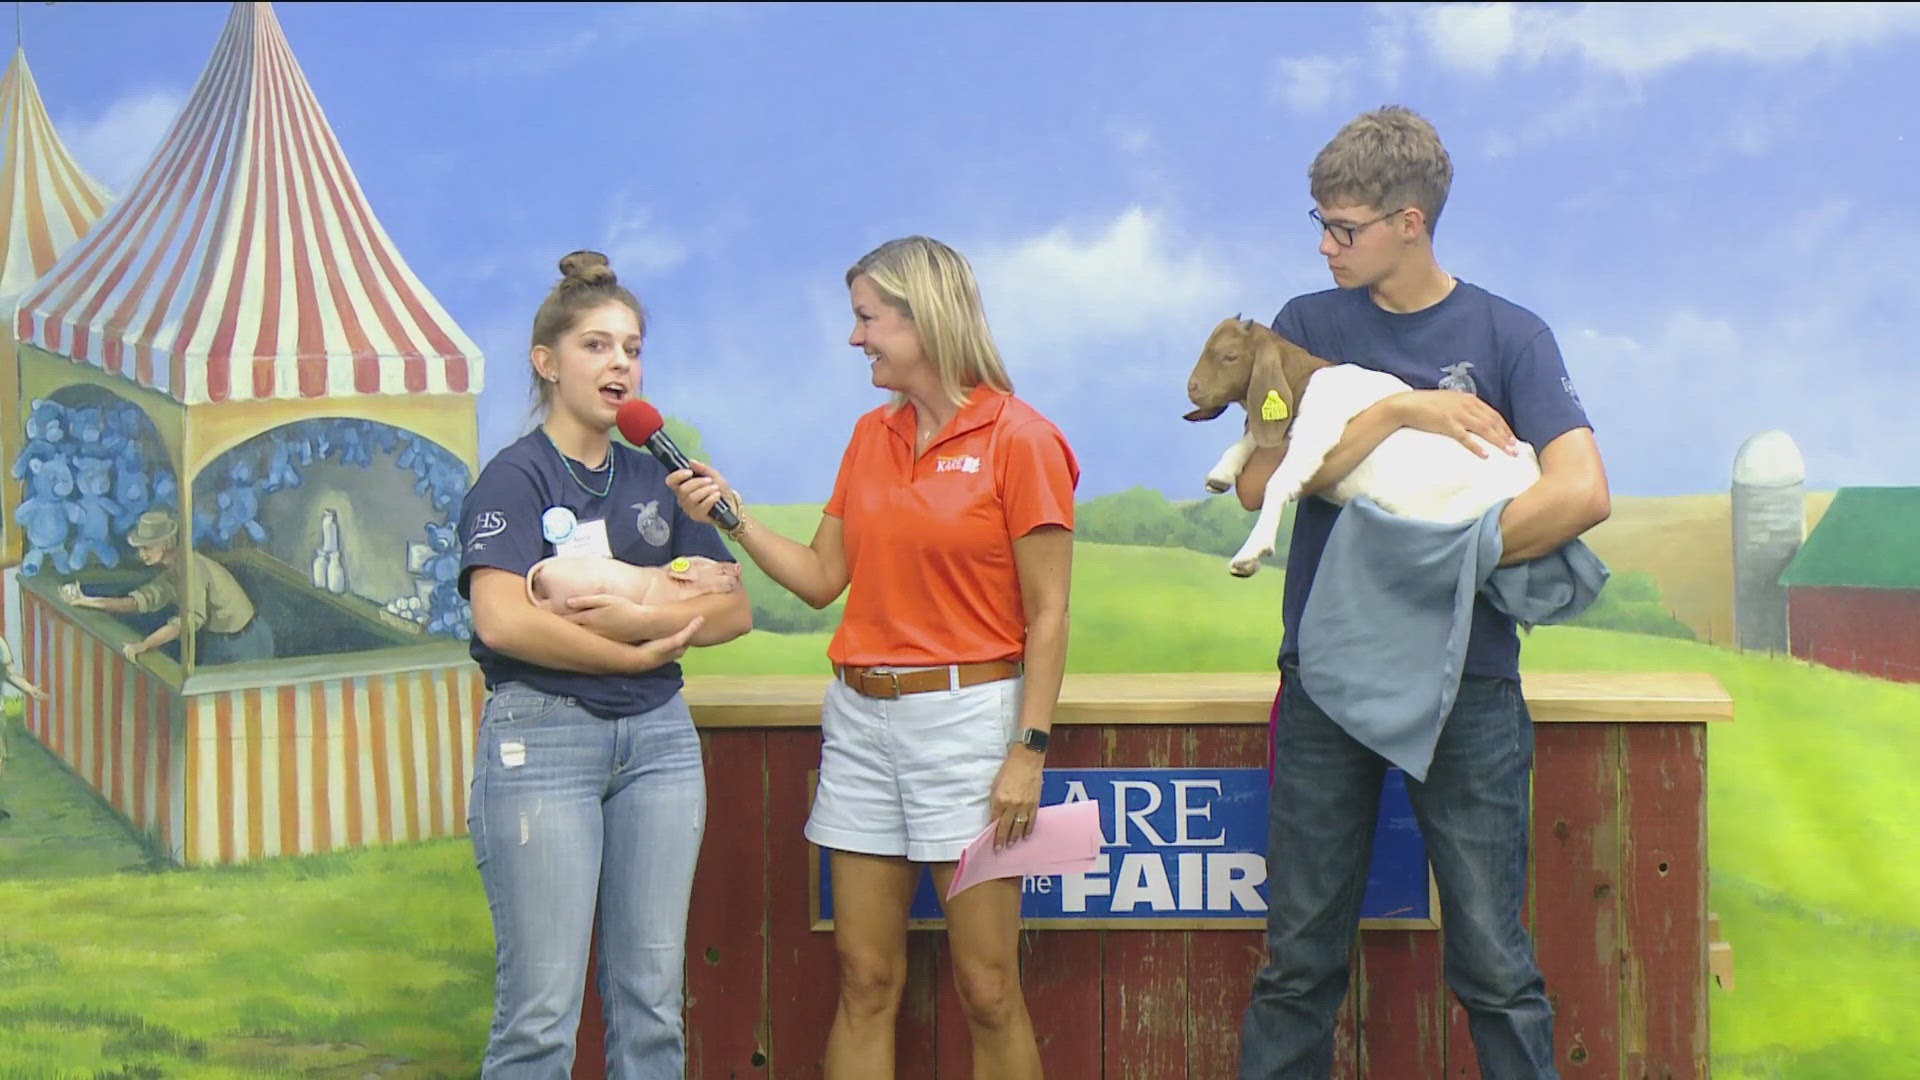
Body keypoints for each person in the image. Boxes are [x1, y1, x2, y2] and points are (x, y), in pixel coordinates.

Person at [1233, 107, 1610, 1079]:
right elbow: (1254, 484)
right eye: (1317, 223)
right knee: (1298, 963)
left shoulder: (1510, 335)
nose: (1325, 246)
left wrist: (1439, 552)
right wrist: (1400, 409)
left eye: (1344, 227)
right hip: (1328, 686)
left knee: (1494, 963)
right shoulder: (1302, 327)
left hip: (1468, 690)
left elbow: (1582, 491)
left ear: (1411, 221)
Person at [669, 236, 1077, 1080]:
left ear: (923, 318)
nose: (855, 339)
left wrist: (1027, 752)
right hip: (859, 720)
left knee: (989, 987)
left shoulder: (1021, 438)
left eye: (867, 319)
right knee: (864, 977)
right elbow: (823, 580)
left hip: (971, 722)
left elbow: (1049, 611)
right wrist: (730, 516)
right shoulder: (870, 435)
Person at [456, 250, 753, 1077]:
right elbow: (504, 617)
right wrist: (638, 647)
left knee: (652, 1005)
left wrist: (634, 609)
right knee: (541, 1016)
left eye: (631, 347)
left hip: (659, 745)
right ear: (547, 364)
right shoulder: (514, 477)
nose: (620, 362)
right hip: (542, 742)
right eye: (596, 345)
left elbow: (731, 607)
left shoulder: (663, 472)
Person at [63, 509, 276, 665]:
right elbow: (136, 602)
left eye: (147, 547)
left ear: (165, 544)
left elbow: (187, 622)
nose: (141, 554)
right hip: (220, 640)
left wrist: (145, 645)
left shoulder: (191, 569)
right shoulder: (171, 575)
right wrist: (85, 600)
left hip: (247, 641)